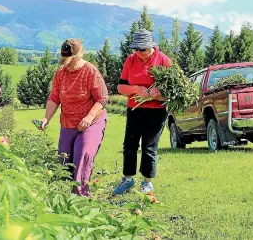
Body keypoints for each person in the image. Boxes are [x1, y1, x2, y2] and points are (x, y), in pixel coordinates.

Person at [39, 39, 108, 197]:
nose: (66, 66)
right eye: (64, 62)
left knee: (82, 155)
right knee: (64, 160)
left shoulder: (90, 71)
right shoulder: (60, 73)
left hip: (91, 122)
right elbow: (54, 98)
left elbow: (102, 98)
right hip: (68, 122)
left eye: (69, 62)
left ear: (78, 56)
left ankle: (80, 197)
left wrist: (89, 117)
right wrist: (46, 119)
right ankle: (62, 196)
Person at [113, 29, 172, 195]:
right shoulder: (131, 60)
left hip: (156, 111)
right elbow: (120, 87)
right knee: (130, 144)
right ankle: (128, 179)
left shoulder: (164, 61)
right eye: (136, 49)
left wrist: (157, 94)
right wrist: (136, 89)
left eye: (142, 49)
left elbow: (172, 91)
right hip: (134, 108)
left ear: (151, 46)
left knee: (149, 147)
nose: (139, 53)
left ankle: (147, 183)